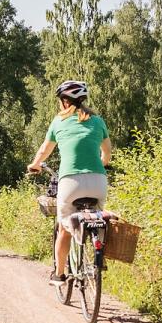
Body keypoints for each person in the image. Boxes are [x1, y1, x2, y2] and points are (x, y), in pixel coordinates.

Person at [26, 80, 111, 285]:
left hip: (70, 181)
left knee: (64, 227)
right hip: (98, 180)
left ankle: (59, 274)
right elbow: (107, 153)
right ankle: (99, 256)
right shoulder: (98, 121)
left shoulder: (58, 122)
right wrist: (100, 165)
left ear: (65, 101)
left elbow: (44, 151)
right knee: (100, 219)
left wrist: (35, 165)